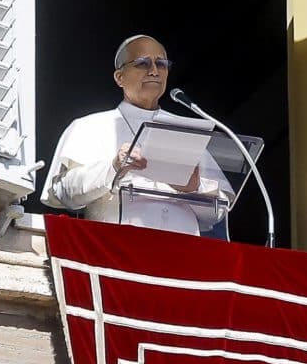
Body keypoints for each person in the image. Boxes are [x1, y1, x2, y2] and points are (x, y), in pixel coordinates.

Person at [40, 35, 232, 236]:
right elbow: (62, 192)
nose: (154, 71)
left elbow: (219, 212)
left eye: (161, 64)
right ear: (119, 77)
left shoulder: (188, 130)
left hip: (183, 254)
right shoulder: (89, 126)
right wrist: (113, 167)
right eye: (142, 63)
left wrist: (193, 187)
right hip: (117, 251)